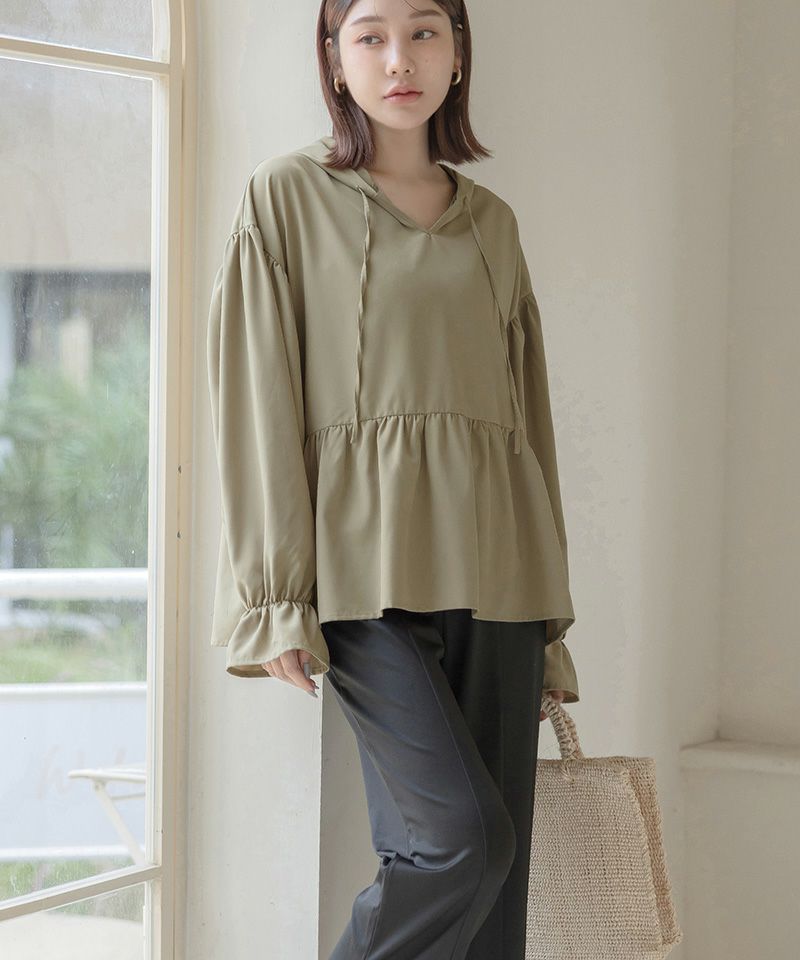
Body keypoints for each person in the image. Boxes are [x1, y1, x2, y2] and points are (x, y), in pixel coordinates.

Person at [206, 2, 580, 957]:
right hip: (361, 580)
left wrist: (548, 617)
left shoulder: (494, 223)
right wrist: (275, 595)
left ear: (457, 56)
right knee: (460, 843)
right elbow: (257, 403)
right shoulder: (286, 197)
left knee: (494, 906)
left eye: (424, 33)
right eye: (369, 36)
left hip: (499, 574)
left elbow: (526, 426)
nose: (398, 59)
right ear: (334, 60)